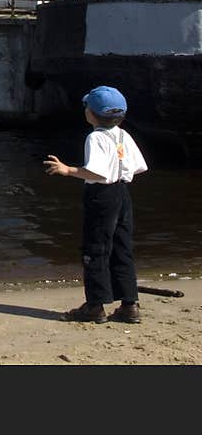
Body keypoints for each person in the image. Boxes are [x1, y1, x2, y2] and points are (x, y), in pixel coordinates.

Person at [43, 86, 148, 324]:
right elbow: (139, 166)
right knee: (122, 247)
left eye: (87, 107)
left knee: (96, 249)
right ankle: (129, 304)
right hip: (122, 193)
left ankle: (95, 305)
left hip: (102, 196)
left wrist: (68, 170)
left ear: (91, 114)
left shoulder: (96, 137)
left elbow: (97, 172)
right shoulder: (123, 135)